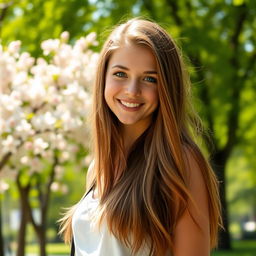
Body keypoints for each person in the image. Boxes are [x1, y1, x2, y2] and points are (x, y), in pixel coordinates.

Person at [59, 18, 222, 256]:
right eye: (120, 74)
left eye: (149, 79)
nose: (132, 91)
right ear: (103, 78)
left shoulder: (180, 161)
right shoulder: (97, 169)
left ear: (167, 88)